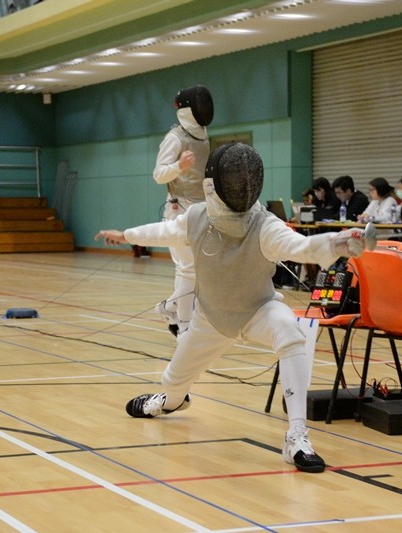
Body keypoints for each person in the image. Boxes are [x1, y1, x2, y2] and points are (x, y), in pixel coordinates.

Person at [95, 143, 371, 474]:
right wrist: (125, 235)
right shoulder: (196, 218)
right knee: (172, 384)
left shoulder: (264, 224)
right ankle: (168, 402)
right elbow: (162, 231)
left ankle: (297, 436)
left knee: (290, 331)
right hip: (209, 318)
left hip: (258, 311)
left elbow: (301, 247)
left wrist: (338, 243)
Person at [152, 85, 214, 337]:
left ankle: (169, 308)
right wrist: (179, 165)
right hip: (177, 210)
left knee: (199, 269)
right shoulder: (175, 137)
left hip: (201, 209)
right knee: (188, 268)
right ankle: (184, 325)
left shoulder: (202, 135)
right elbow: (159, 174)